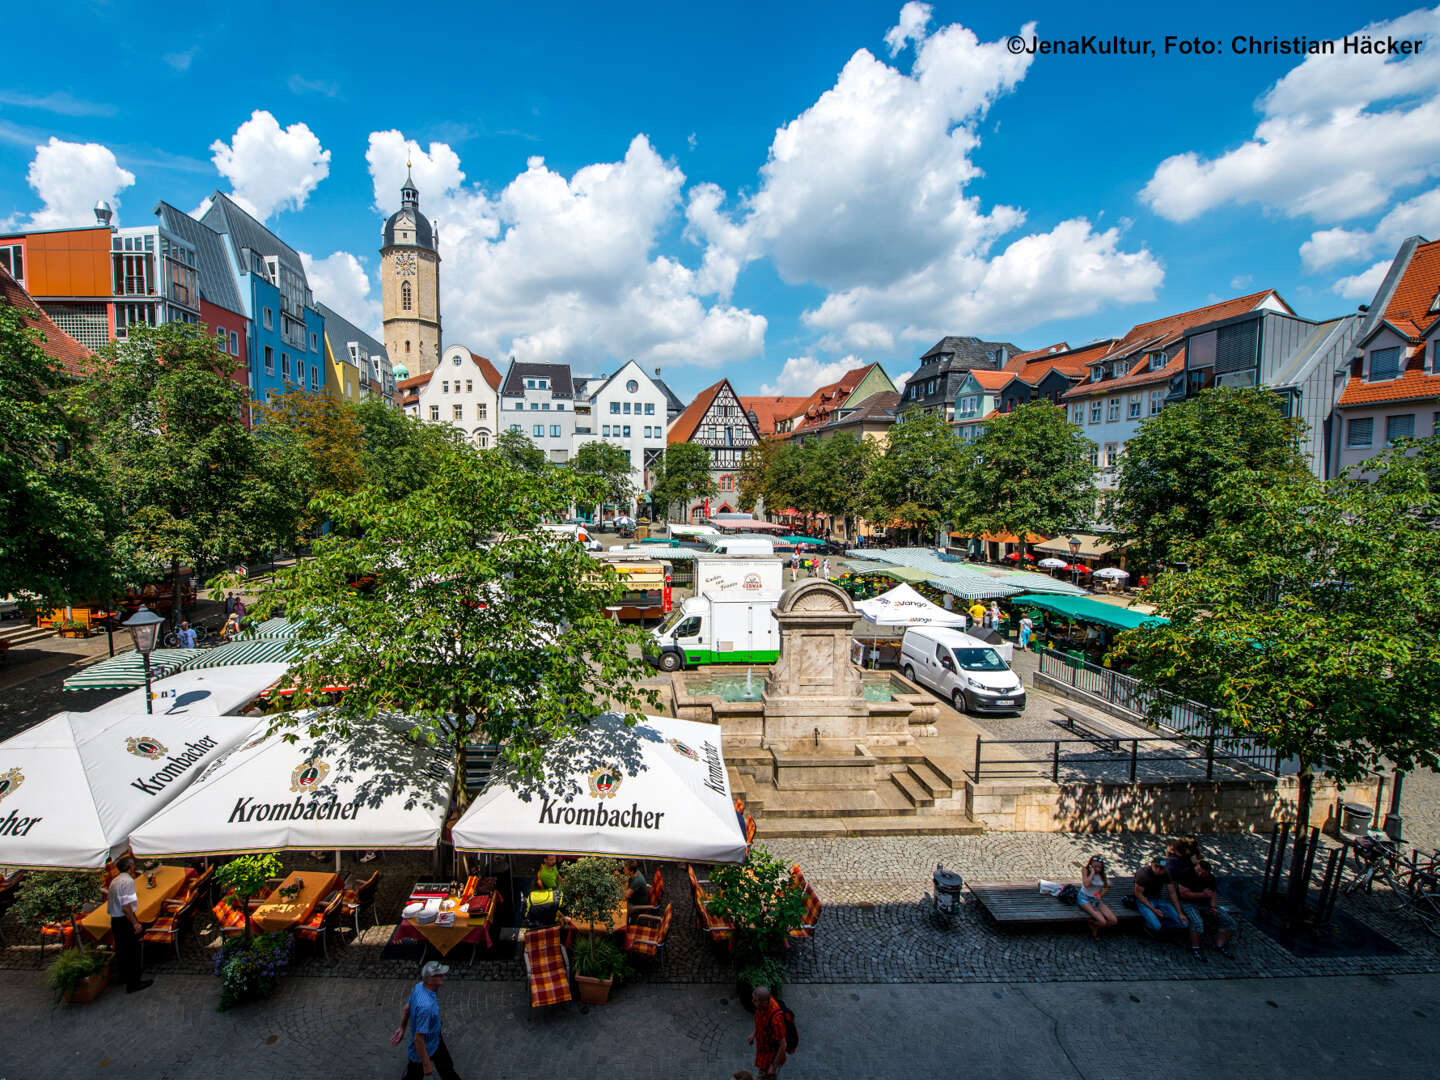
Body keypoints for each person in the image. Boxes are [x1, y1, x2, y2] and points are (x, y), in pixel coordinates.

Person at [392, 961, 460, 1079]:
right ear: (429, 979)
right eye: (438, 975)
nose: (442, 976)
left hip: (435, 1039)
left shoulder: (419, 987)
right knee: (414, 1075)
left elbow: (407, 1008)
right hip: (423, 1048)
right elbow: (418, 1039)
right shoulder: (426, 1007)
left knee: (448, 1069)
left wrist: (402, 1027)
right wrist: (426, 1063)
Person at [107, 856, 152, 993]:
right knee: (133, 951)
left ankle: (123, 977)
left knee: (122, 950)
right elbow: (126, 906)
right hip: (124, 920)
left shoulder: (115, 881)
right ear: (130, 867)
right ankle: (134, 983)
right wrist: (135, 923)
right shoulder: (128, 881)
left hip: (115, 919)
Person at [1176, 858, 1236, 958]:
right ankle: (1195, 948)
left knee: (1229, 921)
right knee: (1197, 922)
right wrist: (1202, 894)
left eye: (1203, 873)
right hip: (1188, 903)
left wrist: (1213, 906)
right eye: (1198, 871)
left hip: (1204, 904)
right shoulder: (1187, 874)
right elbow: (1184, 895)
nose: (1200, 874)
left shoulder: (1210, 878)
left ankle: (1220, 945)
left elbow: (1212, 893)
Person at [1132, 854, 1190, 943]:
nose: (1158, 870)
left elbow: (1172, 892)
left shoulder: (1166, 874)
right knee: (1156, 926)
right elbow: (1138, 894)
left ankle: (1162, 926)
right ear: (1151, 865)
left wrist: (1180, 913)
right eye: (1156, 867)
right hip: (1144, 901)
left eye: (1161, 868)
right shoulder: (1143, 875)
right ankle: (1150, 925)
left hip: (1157, 899)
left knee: (1183, 923)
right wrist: (1153, 910)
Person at [747, 985, 788, 1079]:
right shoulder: (761, 1007)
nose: (752, 1001)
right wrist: (754, 1034)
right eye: (753, 998)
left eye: (755, 1000)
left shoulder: (776, 1020)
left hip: (771, 1057)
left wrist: (773, 1066)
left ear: (764, 1003)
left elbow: (783, 1045)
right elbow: (761, 1023)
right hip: (763, 1050)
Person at [1074, 854, 1117, 941]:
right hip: (1084, 898)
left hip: (1095, 898)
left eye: (1099, 867)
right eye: (1095, 867)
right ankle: (1094, 927)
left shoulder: (1102, 875)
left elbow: (1105, 887)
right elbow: (1086, 884)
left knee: (1113, 920)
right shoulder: (1085, 870)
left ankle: (1094, 924)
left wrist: (1100, 895)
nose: (1097, 869)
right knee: (1102, 921)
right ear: (1090, 865)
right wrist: (1092, 873)